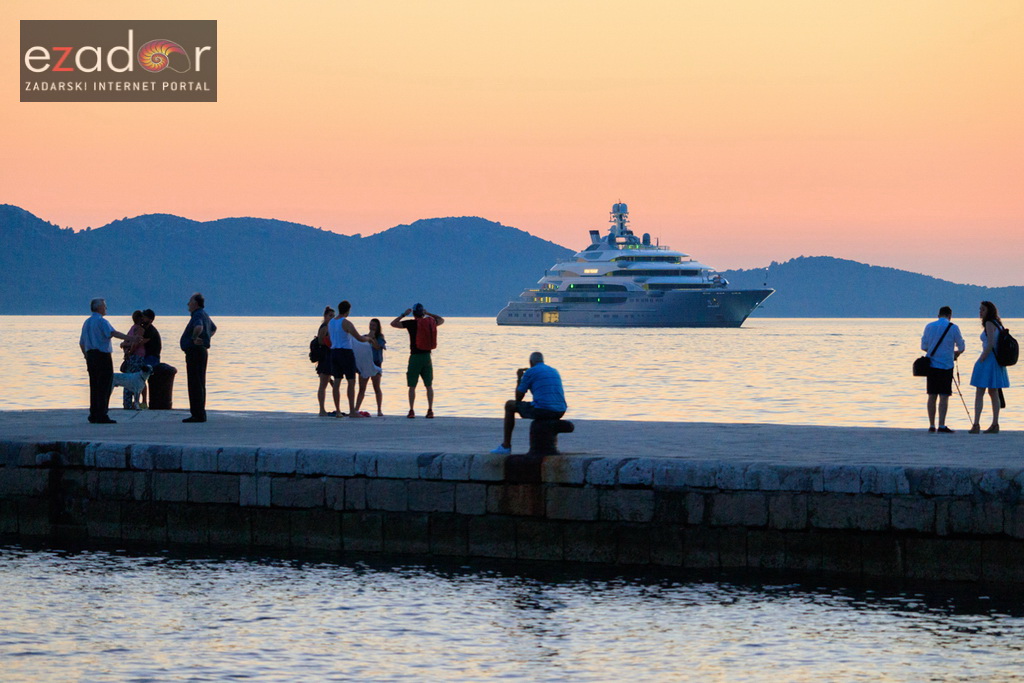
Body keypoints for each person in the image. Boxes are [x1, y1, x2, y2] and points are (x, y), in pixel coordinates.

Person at [490, 351, 567, 454]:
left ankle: (506, 445)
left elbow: (518, 398)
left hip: (543, 410)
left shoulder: (530, 372)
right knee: (538, 403)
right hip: (560, 410)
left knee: (509, 405)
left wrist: (519, 378)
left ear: (530, 362)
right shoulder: (554, 371)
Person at [79, 298, 136, 424]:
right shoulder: (101, 321)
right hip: (102, 356)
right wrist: (131, 338)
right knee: (104, 385)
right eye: (104, 306)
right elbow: (113, 333)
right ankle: (102, 414)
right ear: (99, 308)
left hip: (91, 356)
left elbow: (82, 343)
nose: (106, 308)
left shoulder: (87, 322)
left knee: (94, 385)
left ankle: (94, 413)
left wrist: (86, 356)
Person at [391, 303, 444, 418]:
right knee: (429, 385)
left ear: (414, 313)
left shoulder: (411, 323)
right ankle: (430, 410)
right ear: (422, 312)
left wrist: (403, 314)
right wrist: (428, 313)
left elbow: (393, 324)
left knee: (412, 386)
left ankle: (411, 410)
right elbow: (441, 320)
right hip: (427, 357)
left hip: (415, 357)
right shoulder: (430, 323)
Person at [327, 300, 378, 418]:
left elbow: (330, 338)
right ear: (348, 311)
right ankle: (352, 411)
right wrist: (368, 339)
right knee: (351, 381)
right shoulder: (346, 323)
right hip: (346, 353)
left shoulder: (331, 323)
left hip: (334, 352)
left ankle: (338, 411)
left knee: (337, 381)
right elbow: (359, 338)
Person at [920, 306, 965, 433]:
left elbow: (924, 346)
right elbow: (961, 346)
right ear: (950, 315)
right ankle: (942, 425)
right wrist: (955, 353)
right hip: (946, 365)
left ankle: (931, 425)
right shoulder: (954, 327)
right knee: (944, 396)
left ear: (938, 315)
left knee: (932, 396)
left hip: (932, 365)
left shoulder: (929, 326)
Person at [969, 300, 1010, 434]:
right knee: (993, 392)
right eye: (980, 309)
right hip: (996, 361)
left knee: (980, 392)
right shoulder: (998, 324)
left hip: (989, 360)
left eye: (983, 310)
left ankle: (976, 424)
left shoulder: (989, 323)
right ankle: (995, 423)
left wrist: (982, 358)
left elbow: (991, 343)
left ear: (989, 311)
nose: (980, 312)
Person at [180, 292, 217, 423]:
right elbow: (213, 328)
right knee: (200, 382)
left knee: (194, 382)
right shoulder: (204, 314)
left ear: (195, 303)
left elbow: (199, 327)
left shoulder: (197, 315)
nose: (188, 304)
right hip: (201, 351)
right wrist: (206, 338)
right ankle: (200, 412)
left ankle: (197, 414)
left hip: (195, 351)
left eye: (190, 301)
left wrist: (195, 338)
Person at [356, 318, 386, 416]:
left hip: (376, 363)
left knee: (376, 387)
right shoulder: (364, 337)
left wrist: (372, 339)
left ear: (377, 327)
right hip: (365, 364)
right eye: (371, 325)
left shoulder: (380, 338)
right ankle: (356, 409)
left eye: (374, 325)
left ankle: (379, 410)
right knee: (362, 388)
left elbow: (377, 347)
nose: (371, 327)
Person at [121, 310, 150, 409]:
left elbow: (126, 342)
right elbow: (136, 343)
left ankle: (127, 403)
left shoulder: (132, 329)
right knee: (138, 380)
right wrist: (130, 352)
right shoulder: (140, 329)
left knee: (128, 379)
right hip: (137, 356)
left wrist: (126, 349)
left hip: (131, 357)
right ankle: (136, 403)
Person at [316, 306, 337, 416]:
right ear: (325, 316)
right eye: (330, 316)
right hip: (325, 357)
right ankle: (322, 409)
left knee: (329, 383)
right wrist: (329, 342)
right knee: (323, 385)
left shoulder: (330, 326)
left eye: (333, 316)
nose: (332, 318)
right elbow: (320, 341)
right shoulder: (324, 327)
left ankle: (325, 409)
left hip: (329, 357)